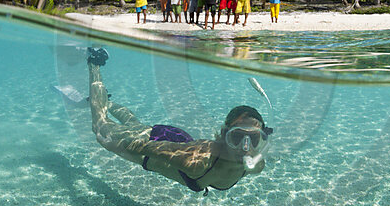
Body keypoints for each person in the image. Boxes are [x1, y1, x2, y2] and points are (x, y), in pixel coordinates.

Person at [85, 47, 269, 193]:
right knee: (100, 128)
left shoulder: (256, 164)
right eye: (237, 137)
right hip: (159, 145)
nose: (245, 147)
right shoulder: (196, 163)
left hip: (178, 139)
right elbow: (144, 147)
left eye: (253, 138)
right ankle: (95, 63)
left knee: (134, 126)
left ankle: (104, 100)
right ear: (223, 134)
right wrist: (113, 143)